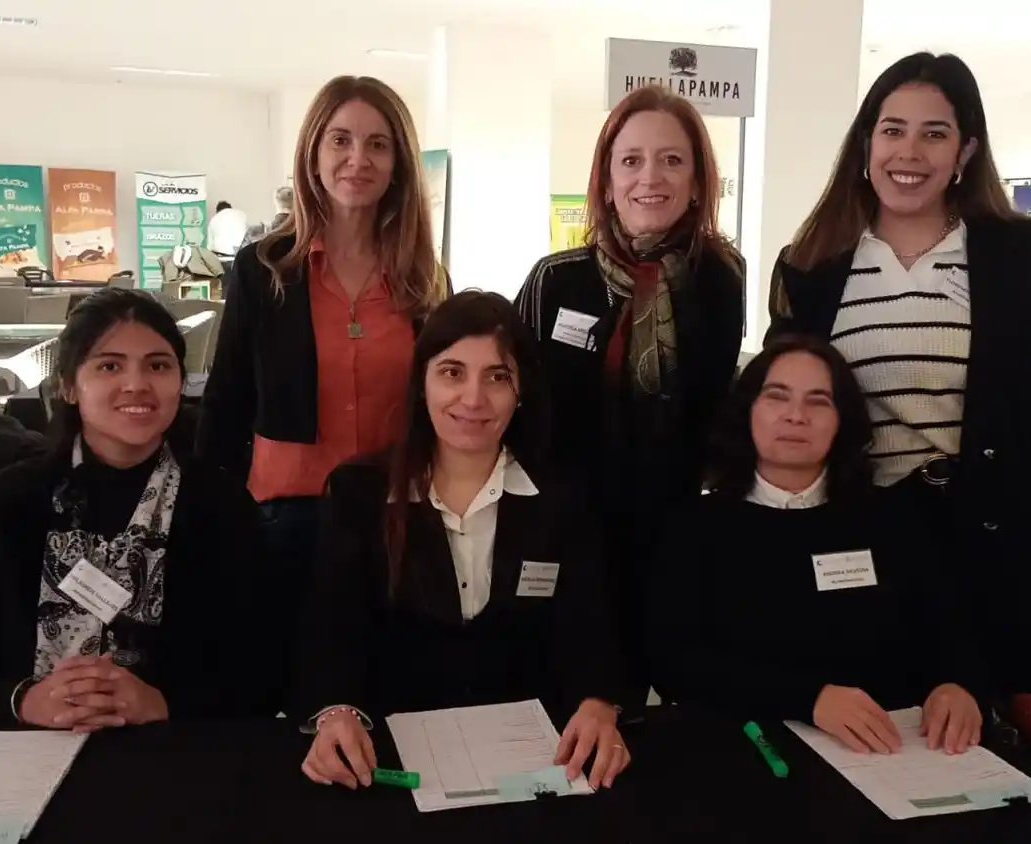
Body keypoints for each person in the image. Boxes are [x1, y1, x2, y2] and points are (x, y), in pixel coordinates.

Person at [763, 52, 1031, 701]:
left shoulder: (1023, 257)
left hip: (1003, 547)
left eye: (935, 133)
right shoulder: (812, 264)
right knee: (878, 741)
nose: (911, 151)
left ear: (966, 150)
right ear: (866, 143)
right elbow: (786, 412)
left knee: (1004, 740)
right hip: (865, 548)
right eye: (893, 129)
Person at [295, 291, 630, 790]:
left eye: (497, 377)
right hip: (393, 759)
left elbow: (589, 624)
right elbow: (333, 628)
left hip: (535, 761)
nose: (473, 399)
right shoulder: (359, 491)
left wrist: (599, 704)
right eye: (452, 372)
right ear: (422, 383)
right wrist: (336, 712)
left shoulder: (561, 494)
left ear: (522, 392)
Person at [0, 288, 280, 729]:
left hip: (168, 754)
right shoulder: (8, 501)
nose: (136, 384)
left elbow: (265, 679)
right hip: (23, 752)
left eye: (158, 366)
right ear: (69, 385)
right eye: (109, 365)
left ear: (181, 382)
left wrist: (161, 703)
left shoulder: (218, 504)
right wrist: (27, 702)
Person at [513, 85, 744, 702]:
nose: (651, 177)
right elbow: (519, 408)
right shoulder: (556, 280)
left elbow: (716, 404)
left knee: (665, 702)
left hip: (675, 533)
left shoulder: (720, 279)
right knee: (570, 696)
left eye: (672, 160)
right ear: (606, 179)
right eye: (632, 160)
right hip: (569, 535)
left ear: (698, 181)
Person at [648, 336, 984, 755]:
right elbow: (672, 662)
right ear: (747, 410)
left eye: (818, 401)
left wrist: (954, 684)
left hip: (885, 755)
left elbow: (946, 626)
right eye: (777, 397)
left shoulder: (890, 520)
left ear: (843, 419)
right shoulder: (695, 527)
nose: (796, 416)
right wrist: (810, 698)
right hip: (743, 752)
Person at [197, 75, 447, 630]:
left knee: (382, 686)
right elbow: (224, 403)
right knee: (283, 687)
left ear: (398, 164)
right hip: (286, 519)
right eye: (340, 140)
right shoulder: (263, 268)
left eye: (377, 144)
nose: (357, 158)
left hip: (393, 516)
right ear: (312, 155)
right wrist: (220, 518)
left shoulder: (423, 279)